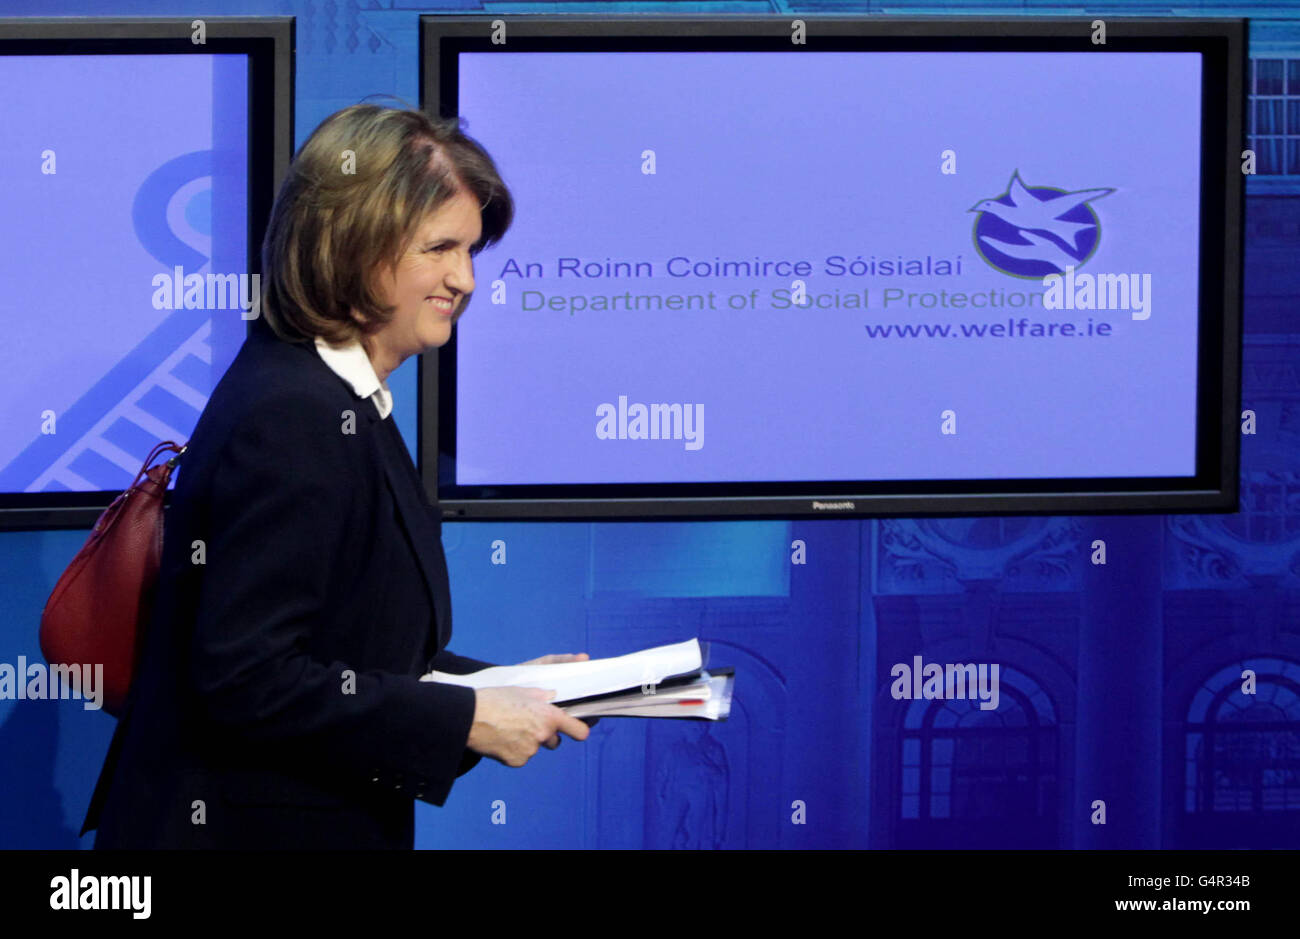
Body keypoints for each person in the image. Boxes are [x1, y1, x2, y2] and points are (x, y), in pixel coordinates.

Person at [82, 103, 592, 849]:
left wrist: (503, 688)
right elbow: (245, 677)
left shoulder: (333, 395)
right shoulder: (294, 412)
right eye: (440, 249)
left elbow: (351, 654)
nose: (466, 280)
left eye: (471, 251)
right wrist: (467, 718)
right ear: (353, 246)